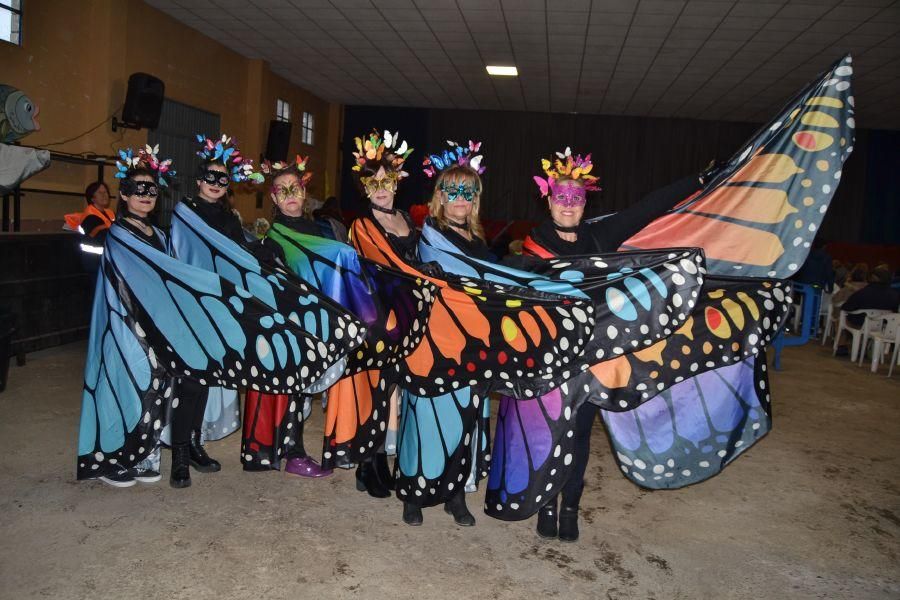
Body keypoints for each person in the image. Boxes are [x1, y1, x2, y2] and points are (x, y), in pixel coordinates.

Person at [522, 147, 707, 542]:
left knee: (579, 436)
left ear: (586, 201)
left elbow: (647, 208)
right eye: (561, 197)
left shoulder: (600, 235)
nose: (568, 205)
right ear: (548, 200)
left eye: (576, 198)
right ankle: (545, 504)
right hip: (549, 359)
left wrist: (699, 181)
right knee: (548, 434)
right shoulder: (533, 243)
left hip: (592, 358)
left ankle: (570, 507)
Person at [327, 129, 416, 499]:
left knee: (395, 391)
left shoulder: (408, 220)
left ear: (397, 183)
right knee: (375, 391)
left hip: (407, 319)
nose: (381, 188)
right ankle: (369, 464)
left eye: (387, 180)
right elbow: (385, 269)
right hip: (376, 321)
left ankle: (384, 459)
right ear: (364, 189)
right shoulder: (362, 226)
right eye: (373, 182)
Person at [243, 155, 330, 478]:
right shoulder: (271, 235)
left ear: (304, 193)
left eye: (294, 188)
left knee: (303, 390)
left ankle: (290, 449)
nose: (289, 194)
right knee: (292, 389)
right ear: (274, 198)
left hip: (315, 321)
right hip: (287, 325)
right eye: (282, 190)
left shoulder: (317, 229)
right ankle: (293, 454)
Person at [65, 181, 115, 278]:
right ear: (92, 198)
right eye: (100, 193)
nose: (104, 195)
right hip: (95, 262)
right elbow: (101, 237)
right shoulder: (89, 217)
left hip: (105, 261)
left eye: (105, 192)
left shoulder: (110, 213)